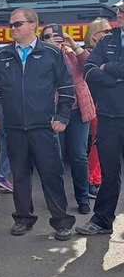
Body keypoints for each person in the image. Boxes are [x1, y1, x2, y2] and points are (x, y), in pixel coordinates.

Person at [0, 7, 76, 241]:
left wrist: (63, 116)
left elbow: (66, 88)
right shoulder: (3, 56)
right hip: (14, 127)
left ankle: (61, 222)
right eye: (11, 25)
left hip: (44, 127)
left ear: (32, 25)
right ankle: (23, 218)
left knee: (51, 175)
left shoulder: (51, 54)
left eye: (17, 24)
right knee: (20, 175)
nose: (12, 28)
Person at [77, 0, 124, 236]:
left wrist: (109, 68)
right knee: (109, 172)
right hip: (109, 117)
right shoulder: (107, 40)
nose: (119, 13)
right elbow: (89, 71)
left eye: (123, 10)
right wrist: (113, 75)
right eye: (118, 10)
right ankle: (102, 220)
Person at [40, 24, 95, 214]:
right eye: (47, 37)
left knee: (79, 155)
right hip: (55, 114)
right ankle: (58, 201)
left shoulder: (71, 54)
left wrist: (74, 44)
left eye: (57, 36)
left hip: (78, 111)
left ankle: (83, 198)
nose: (53, 39)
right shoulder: (40, 58)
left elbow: (89, 64)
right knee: (56, 157)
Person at [83, 18, 112, 198]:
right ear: (95, 36)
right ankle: (93, 180)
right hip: (96, 105)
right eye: (106, 31)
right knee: (98, 144)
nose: (110, 34)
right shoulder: (89, 56)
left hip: (106, 104)